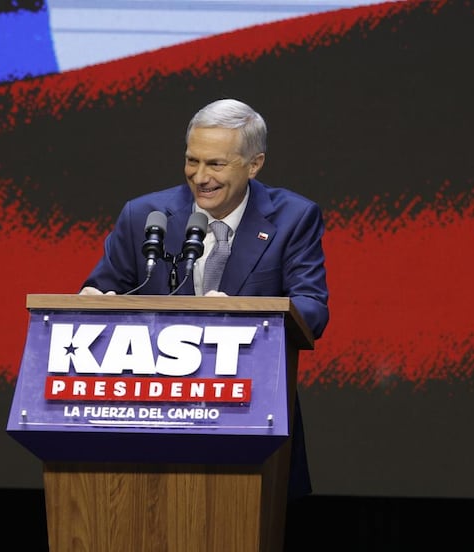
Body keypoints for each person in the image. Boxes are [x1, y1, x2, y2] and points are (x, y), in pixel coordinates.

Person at [79, 98, 330, 501]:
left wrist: (243, 315)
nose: (200, 177)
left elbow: (312, 308)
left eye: (215, 164)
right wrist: (90, 303)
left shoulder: (293, 218)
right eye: (192, 161)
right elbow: (103, 288)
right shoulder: (145, 216)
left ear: (254, 164)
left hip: (250, 412)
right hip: (152, 414)